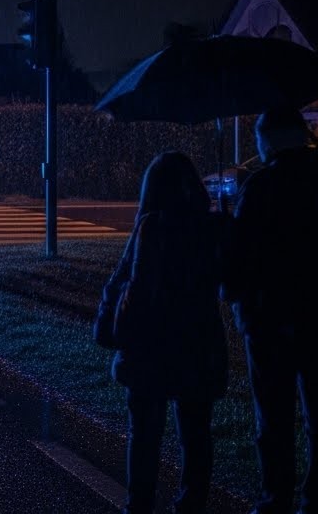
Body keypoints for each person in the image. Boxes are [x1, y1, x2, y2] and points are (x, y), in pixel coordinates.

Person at [227, 107, 318, 514]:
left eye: (260, 141)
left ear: (271, 140)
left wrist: (234, 294)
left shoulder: (260, 188)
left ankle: (275, 496)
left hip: (268, 319)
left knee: (273, 416)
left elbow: (241, 258)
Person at [99, 151, 227, 514]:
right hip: (199, 341)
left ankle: (139, 505)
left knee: (145, 433)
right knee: (196, 432)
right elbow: (227, 281)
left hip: (153, 345)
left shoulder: (152, 226)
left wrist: (115, 327)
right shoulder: (210, 226)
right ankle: (191, 504)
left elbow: (134, 283)